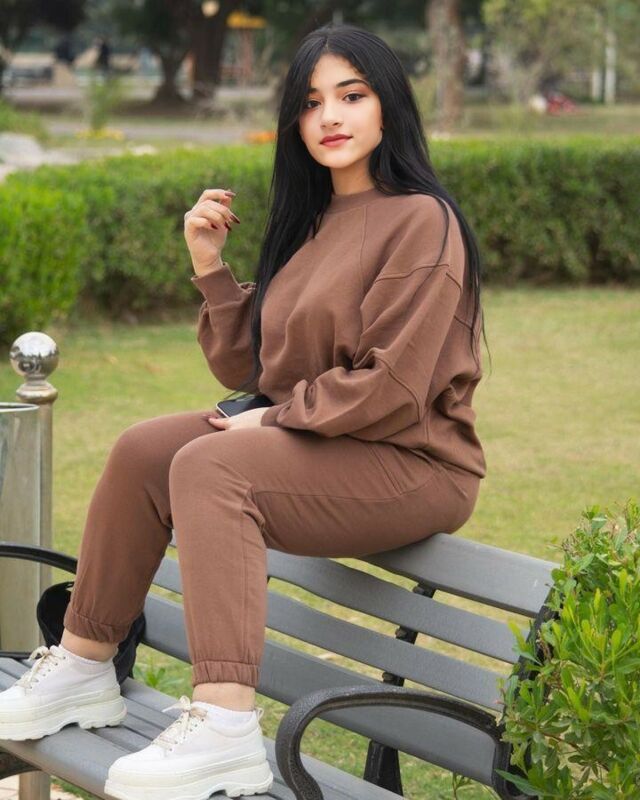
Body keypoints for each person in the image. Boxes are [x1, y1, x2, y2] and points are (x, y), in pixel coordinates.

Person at [0, 22, 488, 800]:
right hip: (333, 442)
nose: (330, 116)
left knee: (212, 464)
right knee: (144, 450)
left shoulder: (423, 220)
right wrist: (211, 268)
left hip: (413, 460)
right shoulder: (313, 223)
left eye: (351, 95)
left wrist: (280, 418)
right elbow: (254, 369)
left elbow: (394, 386)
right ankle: (84, 665)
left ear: (388, 106)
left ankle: (225, 725)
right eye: (311, 102)